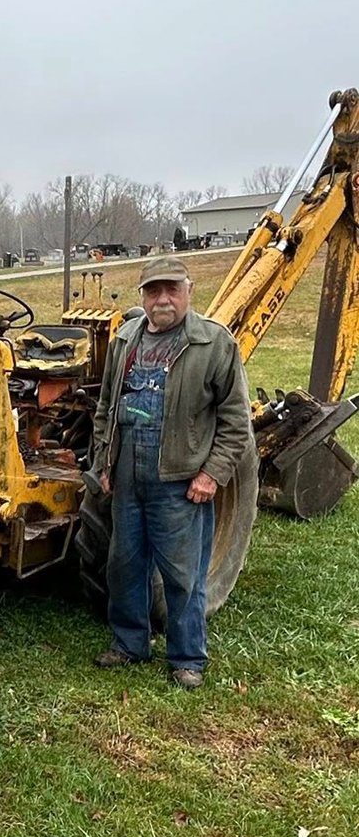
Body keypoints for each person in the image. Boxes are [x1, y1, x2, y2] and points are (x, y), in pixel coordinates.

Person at [90, 256, 254, 689]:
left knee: (182, 575)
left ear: (188, 290)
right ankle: (129, 644)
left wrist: (213, 475)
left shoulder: (213, 344)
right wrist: (104, 464)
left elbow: (236, 421)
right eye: (152, 291)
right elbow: (107, 408)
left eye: (171, 290)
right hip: (128, 476)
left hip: (179, 482)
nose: (162, 299)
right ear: (142, 296)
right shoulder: (126, 340)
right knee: (123, 566)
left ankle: (187, 658)